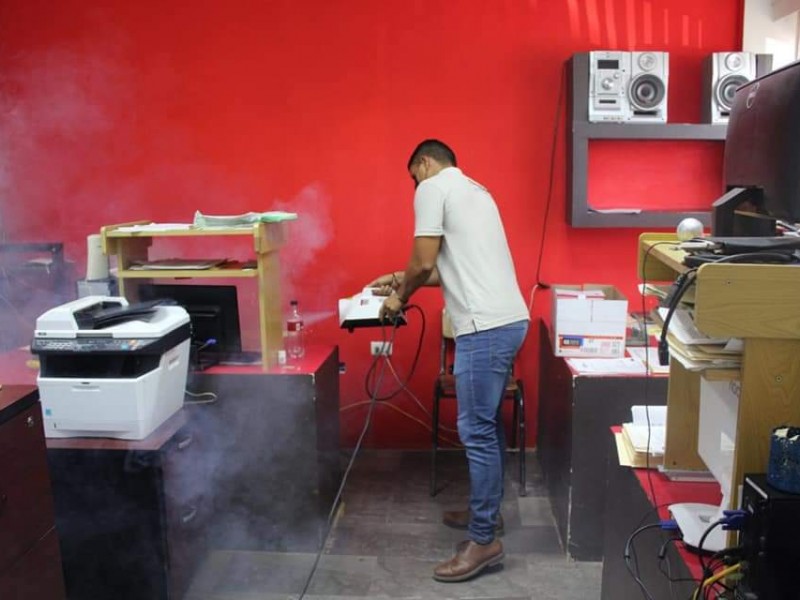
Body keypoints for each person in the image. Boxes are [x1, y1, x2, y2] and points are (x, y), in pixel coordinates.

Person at [368, 139, 529, 582]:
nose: (413, 187)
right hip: (510, 320)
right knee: (489, 426)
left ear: (424, 164)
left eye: (413, 176)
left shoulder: (432, 187)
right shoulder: (478, 193)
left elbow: (424, 260)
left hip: (483, 329)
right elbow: (451, 267)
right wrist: (400, 278)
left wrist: (401, 295)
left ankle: (483, 542)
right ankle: (488, 519)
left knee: (475, 431)